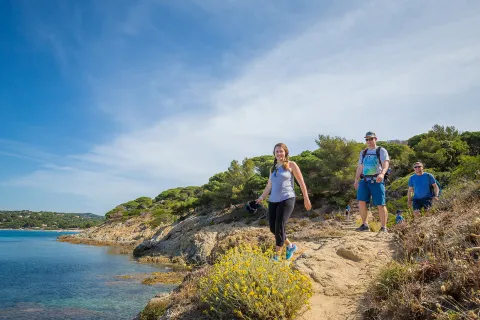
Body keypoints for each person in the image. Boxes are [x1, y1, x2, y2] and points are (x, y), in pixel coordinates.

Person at [256, 143, 312, 261]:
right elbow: (269, 185)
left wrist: (306, 198)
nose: (279, 153)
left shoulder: (291, 165)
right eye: (277, 151)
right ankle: (290, 246)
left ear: (285, 152)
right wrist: (261, 197)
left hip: (287, 198)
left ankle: (277, 256)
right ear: (274, 154)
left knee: (280, 226)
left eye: (281, 151)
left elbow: (301, 182)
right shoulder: (273, 168)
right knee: (273, 228)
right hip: (273, 200)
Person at [354, 131, 390, 232]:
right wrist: (356, 179)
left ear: (375, 139)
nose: (369, 141)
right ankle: (364, 224)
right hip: (364, 180)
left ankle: (384, 227)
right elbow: (360, 167)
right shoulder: (363, 152)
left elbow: (385, 163)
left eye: (371, 139)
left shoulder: (381, 150)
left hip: (377, 180)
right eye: (367, 139)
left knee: (380, 204)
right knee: (361, 201)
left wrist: (382, 174)